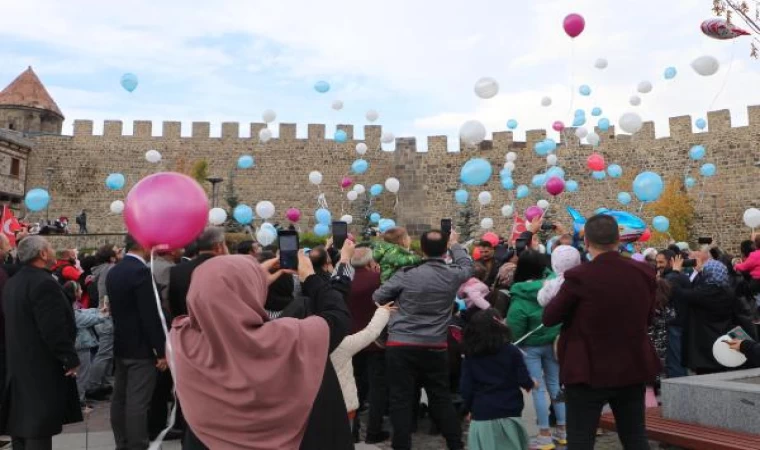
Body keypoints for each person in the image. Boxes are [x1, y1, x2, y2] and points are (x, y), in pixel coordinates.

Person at [172, 252, 353, 449]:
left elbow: (209, 302)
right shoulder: (290, 337)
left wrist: (252, 278)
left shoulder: (181, 340)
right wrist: (310, 276)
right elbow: (337, 316)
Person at [543, 214, 660, 450]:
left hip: (588, 368)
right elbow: (648, 317)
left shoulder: (579, 276)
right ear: (618, 239)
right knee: (635, 436)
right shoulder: (644, 272)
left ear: (586, 242)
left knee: (580, 439)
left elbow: (550, 317)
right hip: (631, 363)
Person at [373, 229, 473, 450]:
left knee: (401, 400)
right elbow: (467, 266)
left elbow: (378, 296)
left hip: (401, 344)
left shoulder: (406, 274)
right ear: (444, 249)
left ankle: (402, 445)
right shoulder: (452, 274)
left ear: (423, 249)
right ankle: (455, 444)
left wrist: (396, 308)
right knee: (440, 397)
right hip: (434, 345)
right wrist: (456, 245)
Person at [2, 236, 82, 449]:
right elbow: (53, 328)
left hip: (19, 362)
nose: (54, 252)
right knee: (38, 426)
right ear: (42, 254)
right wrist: (69, 358)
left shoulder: (14, 282)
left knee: (22, 424)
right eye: (50, 248)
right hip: (40, 365)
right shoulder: (43, 283)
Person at [107, 235, 167, 450]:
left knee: (120, 399)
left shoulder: (115, 271)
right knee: (138, 402)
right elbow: (151, 315)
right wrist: (161, 350)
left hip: (122, 343)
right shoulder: (141, 272)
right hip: (142, 348)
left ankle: (122, 442)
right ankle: (137, 444)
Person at [507, 250, 565, 449]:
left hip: (530, 347)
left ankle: (544, 434)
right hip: (553, 342)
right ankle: (563, 431)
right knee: (556, 386)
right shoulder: (554, 286)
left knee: (537, 389)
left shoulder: (519, 294)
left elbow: (515, 326)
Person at [460, 309, 534, 450]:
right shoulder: (511, 351)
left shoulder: (471, 355)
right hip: (510, 411)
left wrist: (467, 409)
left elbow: (466, 387)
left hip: (482, 413)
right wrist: (531, 383)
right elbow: (523, 379)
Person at [331, 303, 395, 441]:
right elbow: (371, 332)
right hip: (344, 409)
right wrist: (382, 312)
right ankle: (368, 433)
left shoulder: (301, 347)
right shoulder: (341, 346)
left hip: (313, 410)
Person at [347, 247, 389, 444]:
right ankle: (373, 431)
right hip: (375, 340)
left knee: (354, 386)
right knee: (377, 387)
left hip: (351, 340)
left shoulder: (343, 280)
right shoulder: (377, 279)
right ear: (369, 261)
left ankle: (352, 431)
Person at [671, 256, 737, 375]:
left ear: (708, 274)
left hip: (704, 344)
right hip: (722, 339)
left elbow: (678, 292)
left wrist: (675, 271)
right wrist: (700, 272)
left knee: (706, 377)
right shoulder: (729, 292)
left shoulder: (705, 293)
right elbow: (702, 286)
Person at [63, 281, 107, 408]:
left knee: (81, 374)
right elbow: (85, 319)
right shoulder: (72, 310)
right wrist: (103, 315)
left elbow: (84, 312)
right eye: (79, 290)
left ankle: (78, 400)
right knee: (82, 375)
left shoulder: (70, 306)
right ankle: (79, 401)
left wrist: (97, 311)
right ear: (74, 293)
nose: (82, 291)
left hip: (78, 345)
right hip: (81, 346)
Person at [168, 227, 227, 318]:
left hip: (189, 326)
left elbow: (174, 306)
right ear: (219, 246)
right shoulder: (226, 268)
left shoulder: (177, 270)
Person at [86, 245, 119, 401]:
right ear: (111, 257)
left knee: (106, 354)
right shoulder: (110, 269)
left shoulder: (102, 270)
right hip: (106, 316)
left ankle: (102, 383)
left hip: (102, 315)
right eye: (117, 251)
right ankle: (93, 386)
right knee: (104, 354)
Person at [655, 250, 691, 378]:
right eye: (657, 262)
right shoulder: (673, 276)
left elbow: (665, 295)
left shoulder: (673, 277)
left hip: (675, 325)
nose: (658, 265)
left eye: (661, 262)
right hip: (676, 324)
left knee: (675, 362)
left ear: (671, 262)